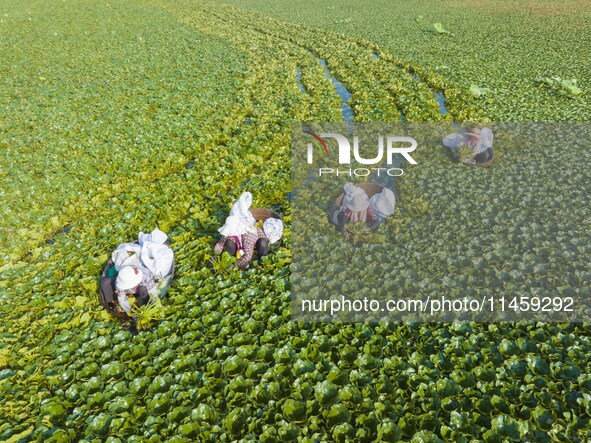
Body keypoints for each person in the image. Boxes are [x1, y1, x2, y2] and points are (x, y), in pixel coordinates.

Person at [213, 192, 272, 270]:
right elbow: (220, 243)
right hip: (240, 242)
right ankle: (232, 257)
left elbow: (248, 255)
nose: (227, 233)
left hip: (256, 242)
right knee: (228, 243)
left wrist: (235, 266)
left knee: (262, 243)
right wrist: (215, 256)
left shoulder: (248, 234)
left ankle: (261, 259)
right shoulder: (230, 230)